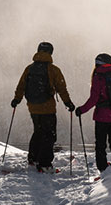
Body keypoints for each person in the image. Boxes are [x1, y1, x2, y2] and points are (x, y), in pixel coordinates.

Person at [11, 41, 75, 173]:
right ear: (51, 53)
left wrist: (16, 99)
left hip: (33, 107)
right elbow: (61, 88)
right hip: (48, 108)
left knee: (38, 131)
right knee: (49, 135)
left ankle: (33, 159)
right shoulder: (53, 70)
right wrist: (68, 103)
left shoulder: (29, 68)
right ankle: (45, 164)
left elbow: (21, 86)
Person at [75, 53, 111, 173]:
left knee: (101, 144)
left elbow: (94, 99)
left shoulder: (99, 77)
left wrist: (81, 109)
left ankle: (103, 168)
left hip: (102, 117)